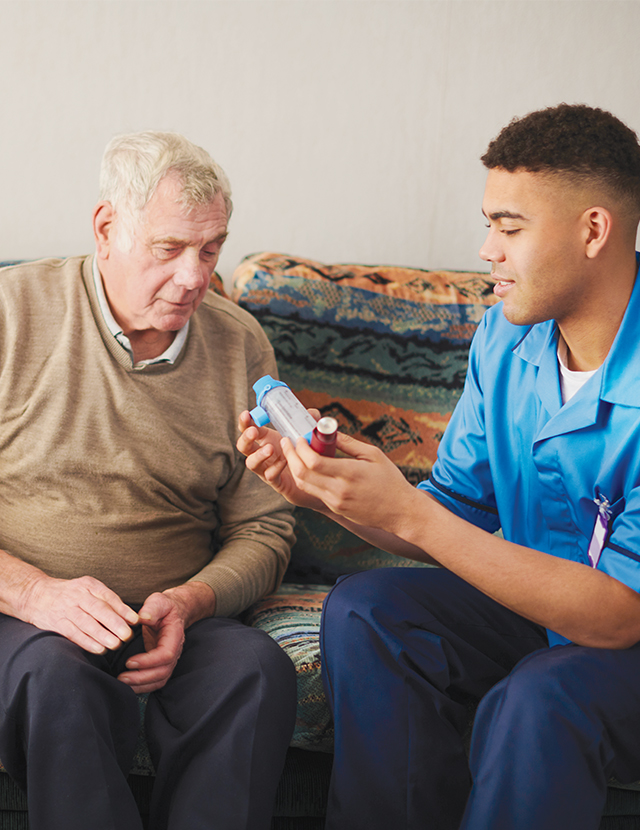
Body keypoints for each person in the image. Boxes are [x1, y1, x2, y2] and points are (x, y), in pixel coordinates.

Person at [237, 103, 640, 830]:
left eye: (509, 228)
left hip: (623, 638)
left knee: (541, 697)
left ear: (593, 230)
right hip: (534, 609)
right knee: (366, 611)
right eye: (489, 224)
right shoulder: (504, 337)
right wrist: (329, 492)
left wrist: (410, 512)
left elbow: (617, 616)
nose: (487, 250)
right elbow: (454, 512)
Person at [0, 131, 297, 830]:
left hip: (176, 618)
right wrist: (36, 593)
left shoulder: (240, 342)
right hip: (27, 617)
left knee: (256, 673)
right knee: (55, 681)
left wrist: (194, 601)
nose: (196, 276)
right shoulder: (12, 313)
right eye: (169, 248)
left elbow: (266, 523)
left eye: (212, 248)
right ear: (107, 228)